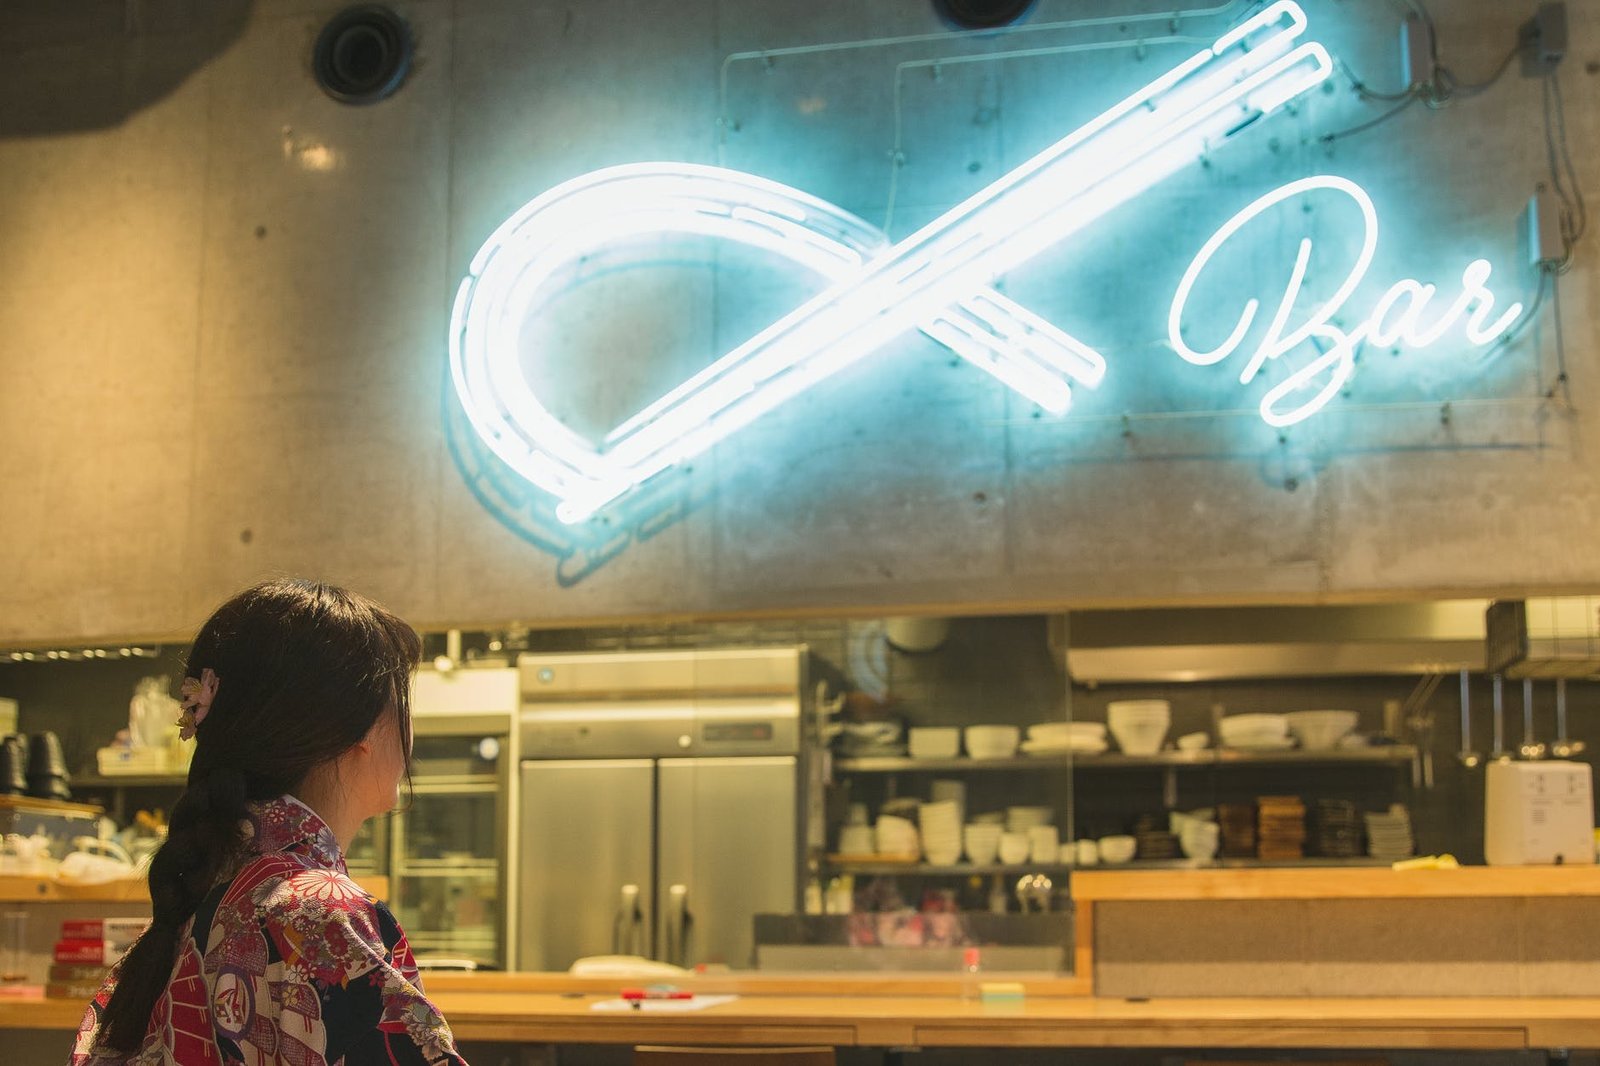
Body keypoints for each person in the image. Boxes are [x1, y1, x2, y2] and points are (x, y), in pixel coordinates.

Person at [71, 579, 468, 1065]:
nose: (410, 735)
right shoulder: (320, 914)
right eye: (400, 707)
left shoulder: (190, 905)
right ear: (359, 728)